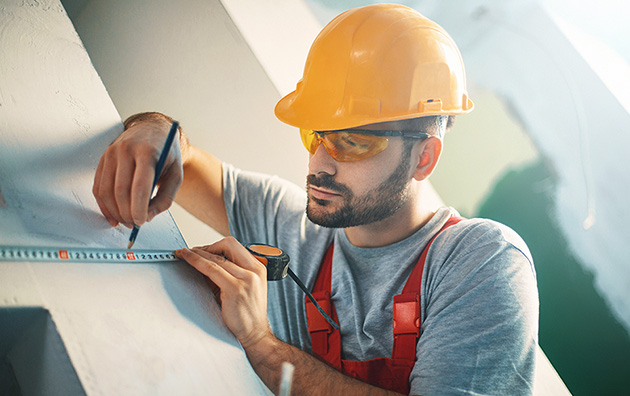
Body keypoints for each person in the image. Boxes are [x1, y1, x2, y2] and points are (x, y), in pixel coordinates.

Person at [92, 4, 538, 395]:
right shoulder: (286, 222)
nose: (319, 163)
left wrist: (262, 345)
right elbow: (180, 157)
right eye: (315, 133)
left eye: (353, 142)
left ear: (424, 157)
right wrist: (154, 129)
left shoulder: (481, 262)